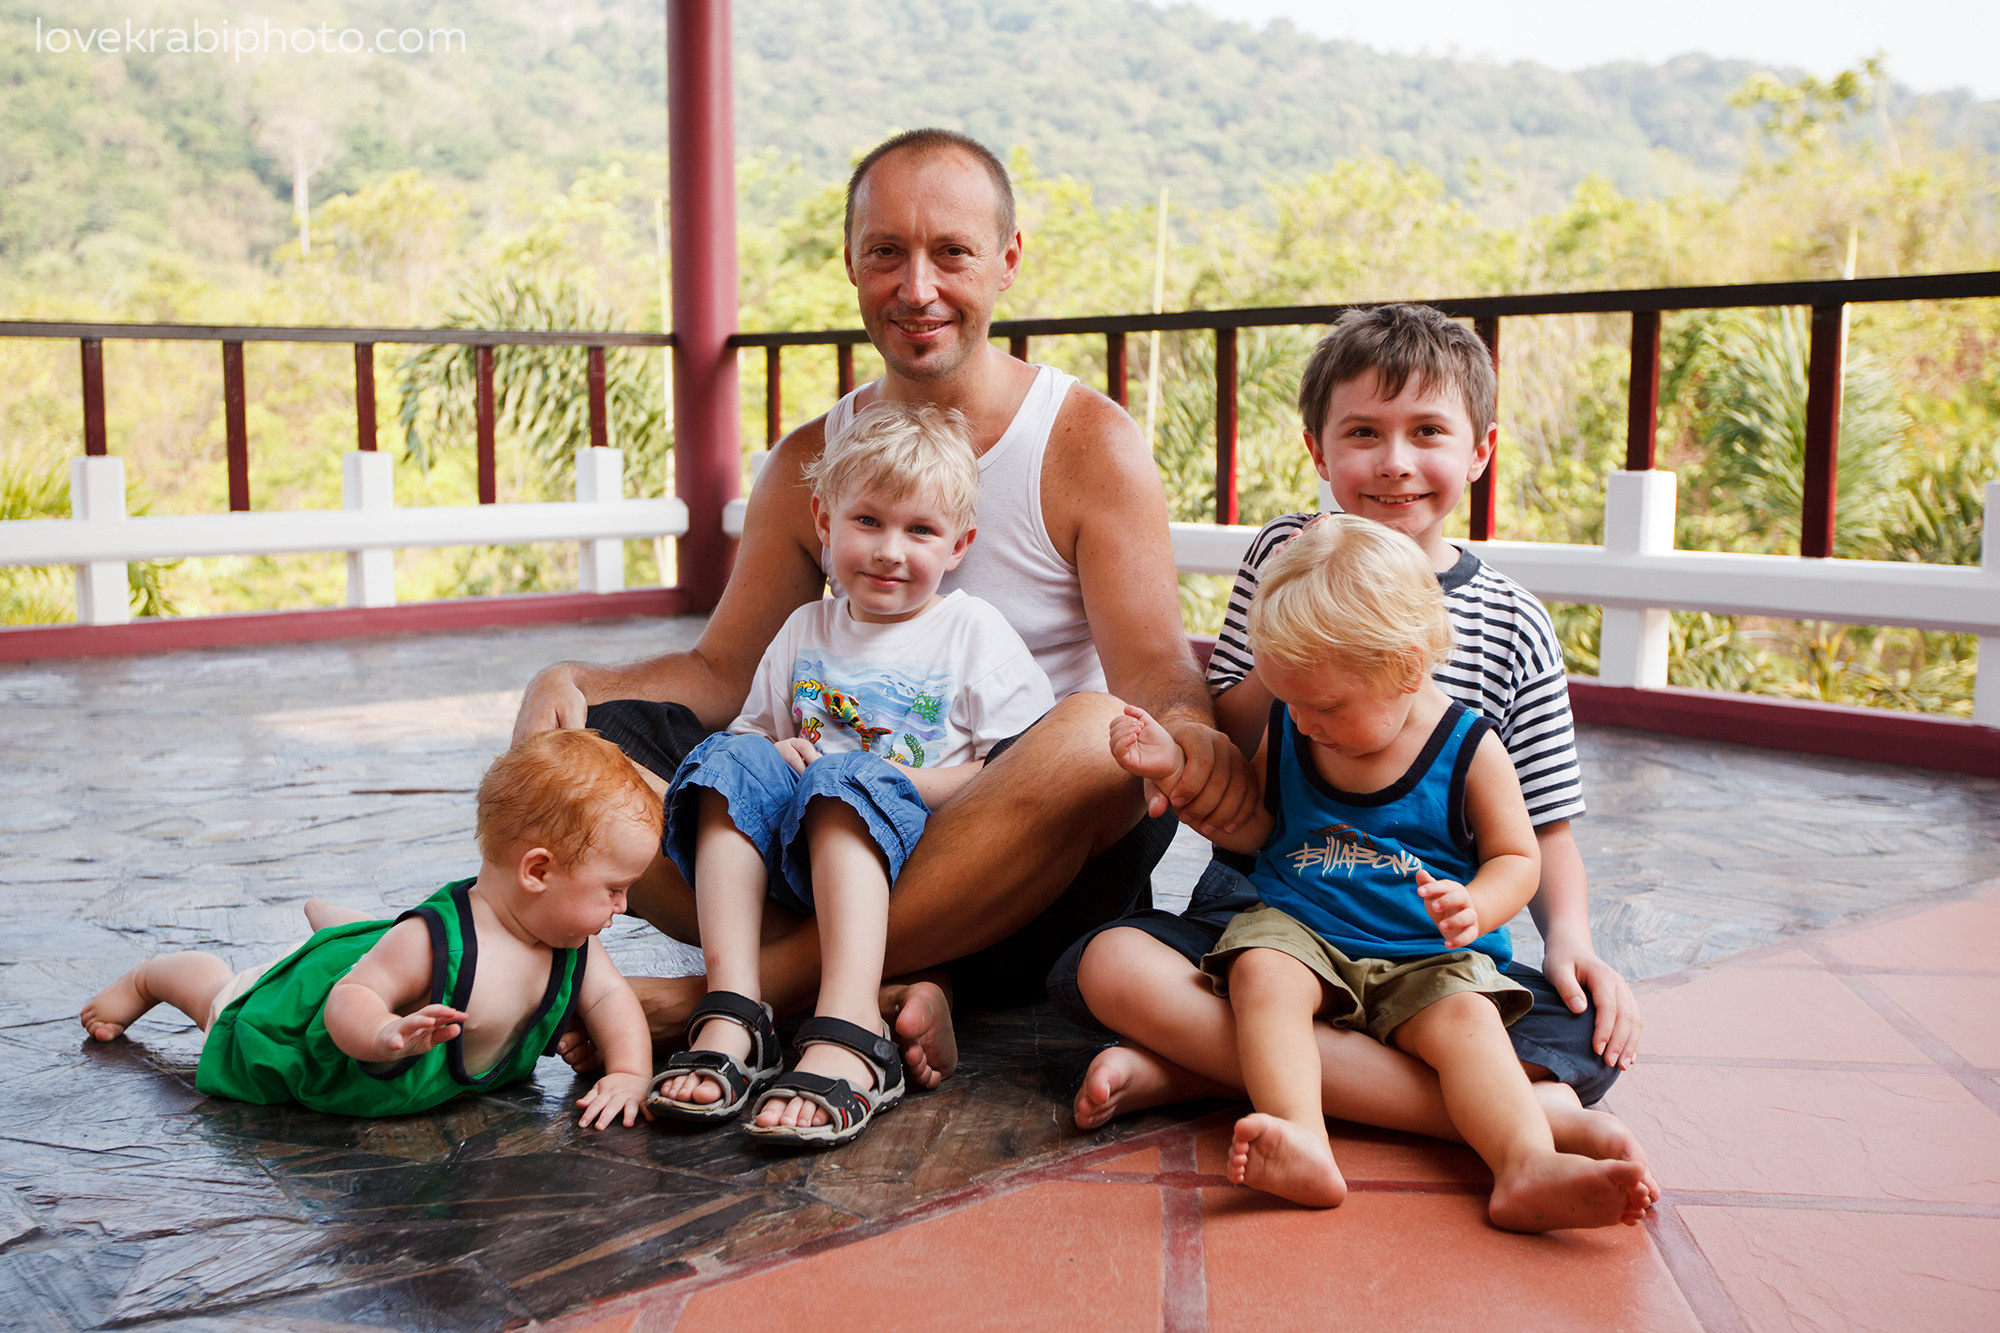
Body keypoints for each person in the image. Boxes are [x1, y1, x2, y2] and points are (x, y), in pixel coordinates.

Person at [513, 128, 1253, 1083]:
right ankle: (909, 976)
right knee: (585, 748)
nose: (918, 288)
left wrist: (1193, 735)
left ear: (1007, 261)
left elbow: (1153, 670)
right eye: (887, 254)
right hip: (828, 815)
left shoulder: (1083, 441)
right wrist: (571, 681)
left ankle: (737, 993)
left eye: (952, 252)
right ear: (853, 266)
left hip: (1007, 821)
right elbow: (720, 674)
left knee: (1103, 738)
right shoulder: (811, 462)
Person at [1056, 303, 1648, 1168]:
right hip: (1276, 912)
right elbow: (1238, 740)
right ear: (1317, 450)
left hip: (1426, 949)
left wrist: (1573, 943)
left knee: (1584, 1029)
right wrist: (1306, 628)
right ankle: (1509, 1117)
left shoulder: (1513, 620)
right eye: (1364, 432)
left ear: (1480, 450)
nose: (1395, 462)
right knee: (1109, 964)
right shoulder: (1282, 559)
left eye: (1428, 432)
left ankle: (1213, 1073)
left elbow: (1542, 825)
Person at [1110, 515, 1652, 1230]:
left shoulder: (1470, 748)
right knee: (1258, 970)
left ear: (1405, 665)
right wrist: (1180, 775)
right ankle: (1301, 1132)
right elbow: (1265, 829)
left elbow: (1520, 856)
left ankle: (1526, 1163)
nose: (1302, 722)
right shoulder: (1297, 726)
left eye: (1324, 705)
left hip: (1425, 955)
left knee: (1471, 1022)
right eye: (1290, 701)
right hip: (1304, 928)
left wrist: (1478, 906)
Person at [647, 403, 1052, 1144]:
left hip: (918, 861)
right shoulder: (805, 628)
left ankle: (849, 1027)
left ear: (958, 543)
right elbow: (751, 739)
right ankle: (736, 1012)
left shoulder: (970, 632)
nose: (890, 550)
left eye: (920, 530)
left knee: (846, 784)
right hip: (798, 860)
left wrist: (887, 780)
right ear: (824, 521)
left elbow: (1019, 771)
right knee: (721, 759)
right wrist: (777, 753)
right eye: (868, 521)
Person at [79, 730, 660, 1128]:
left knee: (384, 953)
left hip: (400, 971)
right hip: (320, 1027)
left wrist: (630, 1073)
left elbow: (610, 998)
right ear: (537, 871)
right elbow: (350, 998)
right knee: (226, 1007)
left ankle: (346, 930)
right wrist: (380, 1033)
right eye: (613, 889)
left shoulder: (573, 940)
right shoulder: (437, 943)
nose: (624, 905)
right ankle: (154, 977)